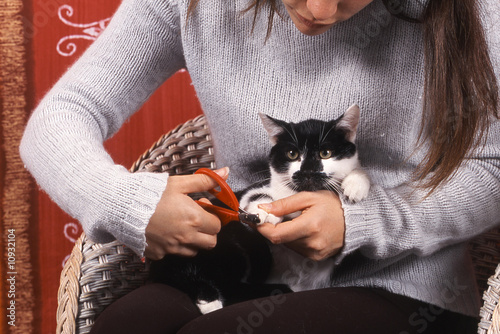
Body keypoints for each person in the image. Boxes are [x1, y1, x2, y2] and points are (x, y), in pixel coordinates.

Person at [20, 0, 499, 333]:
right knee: (127, 325)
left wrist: (364, 220)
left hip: (403, 285)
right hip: (240, 267)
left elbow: (493, 168)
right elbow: (62, 115)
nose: (321, 13)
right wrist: (126, 202)